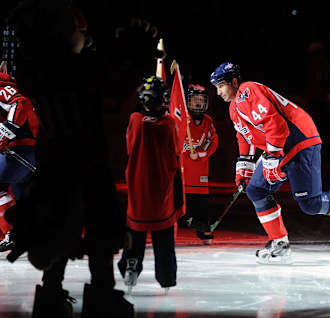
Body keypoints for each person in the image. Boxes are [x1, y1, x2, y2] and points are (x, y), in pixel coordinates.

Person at [6, 1, 134, 316]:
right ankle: (101, 293)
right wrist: (129, 49)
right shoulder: (75, 69)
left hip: (55, 167)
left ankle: (53, 293)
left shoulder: (36, 70)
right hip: (86, 164)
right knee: (98, 233)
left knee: (58, 230)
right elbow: (115, 90)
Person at [209, 62, 330, 264]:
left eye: (221, 86)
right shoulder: (234, 108)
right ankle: (280, 243)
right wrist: (244, 166)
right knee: (256, 189)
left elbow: (275, 125)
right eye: (216, 87)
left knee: (311, 203)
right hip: (280, 148)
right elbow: (245, 137)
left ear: (234, 81)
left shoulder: (248, 91)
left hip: (300, 143)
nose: (218, 92)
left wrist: (273, 159)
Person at [117, 76, 184, 294]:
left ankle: (130, 265)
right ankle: (166, 278)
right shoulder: (169, 123)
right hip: (161, 189)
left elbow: (128, 147)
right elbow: (175, 152)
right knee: (163, 238)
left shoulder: (135, 120)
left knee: (135, 233)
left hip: (138, 187)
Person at [0, 60, 38, 252]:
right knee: (22, 197)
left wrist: (3, 133)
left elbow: (20, 104)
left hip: (22, 151)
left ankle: (12, 235)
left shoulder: (2, 85)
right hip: (28, 152)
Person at [181, 84, 218, 244]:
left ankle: (202, 229)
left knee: (201, 205)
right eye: (194, 100)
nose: (198, 103)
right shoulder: (182, 120)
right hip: (183, 172)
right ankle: (185, 222)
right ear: (187, 102)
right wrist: (186, 152)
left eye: (201, 100)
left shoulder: (208, 121)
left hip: (200, 173)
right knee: (181, 206)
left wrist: (201, 154)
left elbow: (213, 140)